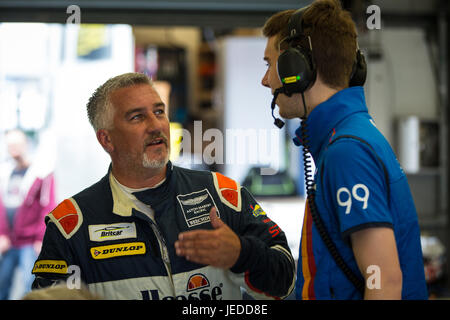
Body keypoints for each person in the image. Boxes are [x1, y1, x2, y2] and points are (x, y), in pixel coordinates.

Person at [31, 72, 295, 300]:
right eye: (137, 117)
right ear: (107, 140)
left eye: (159, 112)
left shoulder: (223, 194)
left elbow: (286, 282)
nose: (156, 125)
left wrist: (242, 254)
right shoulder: (71, 226)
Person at [261, 0, 427, 299]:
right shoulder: (352, 135)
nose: (265, 80)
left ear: (295, 67)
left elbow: (384, 281)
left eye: (269, 64)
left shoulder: (346, 153)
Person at [0, 129, 56, 299]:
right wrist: (2, 234)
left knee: (29, 285)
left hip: (30, 242)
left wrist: (41, 238)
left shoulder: (42, 173)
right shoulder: (4, 172)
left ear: (26, 145)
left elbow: (48, 207)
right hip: (9, 241)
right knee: (3, 283)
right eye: (10, 145)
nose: (13, 148)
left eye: (16, 144)